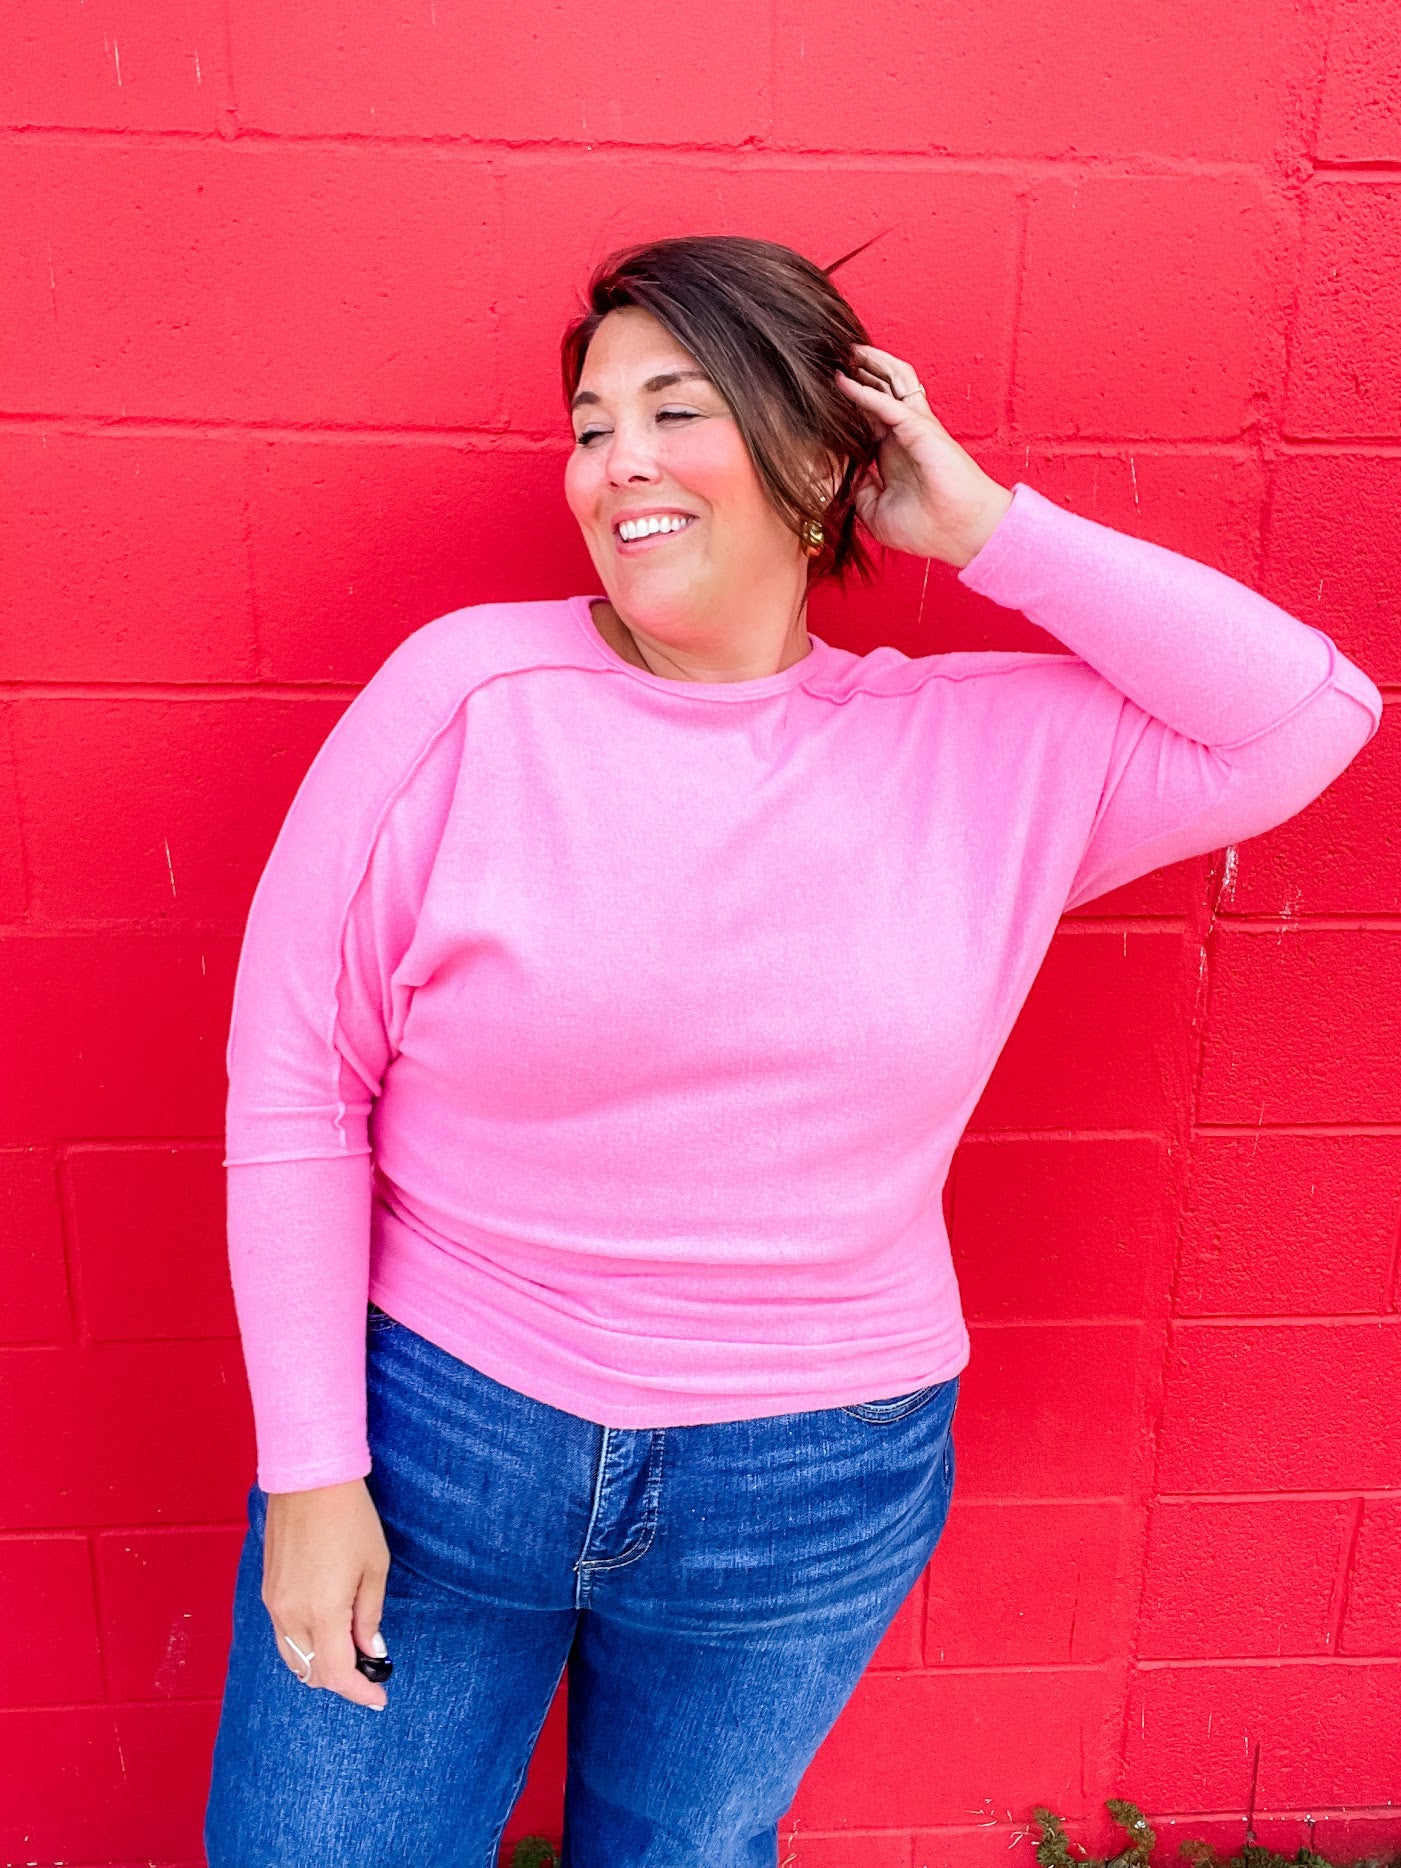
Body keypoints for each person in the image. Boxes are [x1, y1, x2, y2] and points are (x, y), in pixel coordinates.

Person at [202, 234, 1382, 1867]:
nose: (617, 461)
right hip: (445, 1439)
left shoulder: (975, 751)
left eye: (675, 409)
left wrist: (980, 525)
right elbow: (297, 1087)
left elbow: (1305, 713)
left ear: (826, 460)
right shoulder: (468, 696)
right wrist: (312, 1474)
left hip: (810, 1474)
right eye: (592, 424)